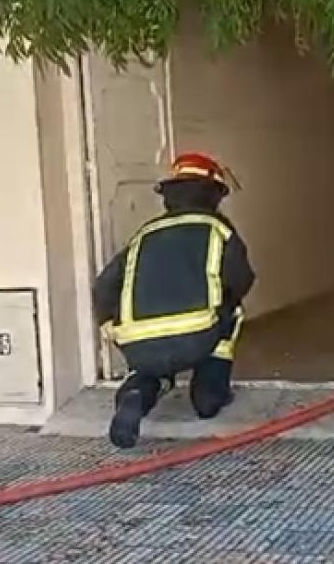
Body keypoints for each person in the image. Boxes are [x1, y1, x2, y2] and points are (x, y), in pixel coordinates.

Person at [93, 151, 255, 448]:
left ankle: (136, 395)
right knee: (232, 313)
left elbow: (104, 285)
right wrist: (220, 305)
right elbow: (242, 279)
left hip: (138, 342)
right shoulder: (218, 228)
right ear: (213, 194)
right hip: (197, 337)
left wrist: (108, 325)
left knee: (151, 368)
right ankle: (209, 394)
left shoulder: (145, 233)